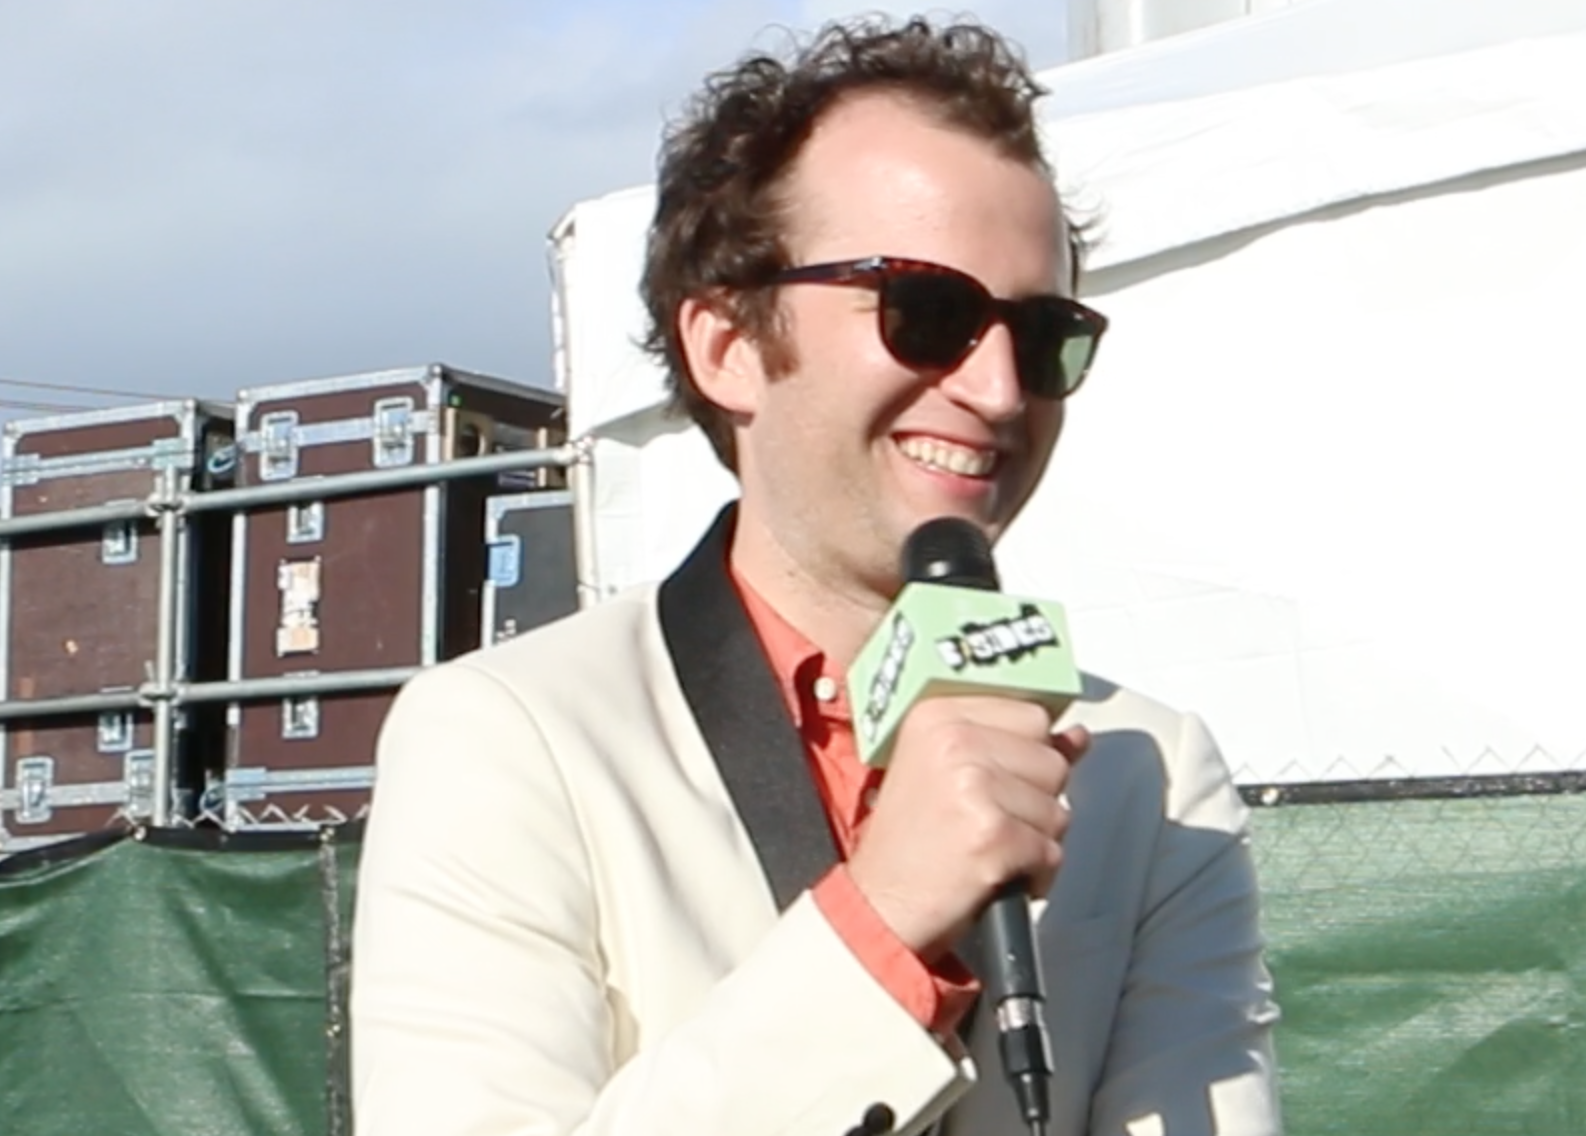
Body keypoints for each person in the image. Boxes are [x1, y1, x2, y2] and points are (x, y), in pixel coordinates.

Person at [351, 16, 1281, 1136]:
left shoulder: (1151, 771)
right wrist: (881, 921)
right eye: (925, 313)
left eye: (1042, 335)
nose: (997, 390)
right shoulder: (509, 736)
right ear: (728, 346)